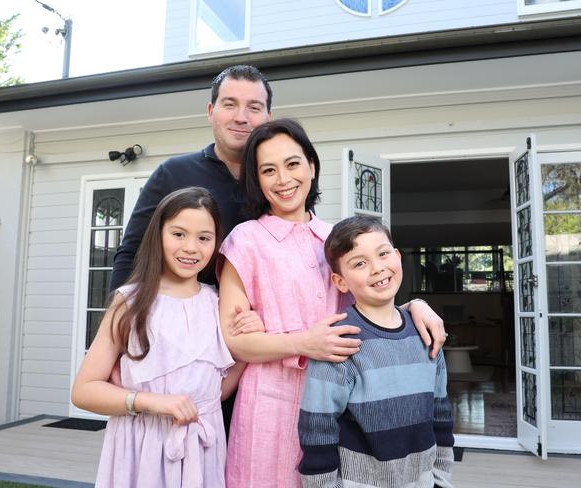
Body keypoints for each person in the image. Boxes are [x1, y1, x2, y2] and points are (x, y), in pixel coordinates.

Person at [218, 119, 447, 488]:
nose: (283, 179)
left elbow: (370, 308)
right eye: (268, 170)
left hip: (341, 406)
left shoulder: (334, 240)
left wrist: (412, 306)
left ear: (311, 166)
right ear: (256, 180)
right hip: (269, 409)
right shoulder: (244, 242)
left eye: (293, 164)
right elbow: (234, 342)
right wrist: (302, 343)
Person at [72, 187, 261, 487]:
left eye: (204, 238)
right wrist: (151, 402)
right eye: (179, 234)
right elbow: (84, 391)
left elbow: (214, 391)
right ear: (158, 235)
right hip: (139, 449)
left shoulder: (217, 304)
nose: (191, 248)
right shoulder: (131, 303)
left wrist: (251, 333)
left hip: (202, 448)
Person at [298, 215, 455, 488]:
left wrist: (441, 479)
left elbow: (440, 415)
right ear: (341, 281)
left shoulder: (427, 332)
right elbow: (317, 430)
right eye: (359, 263)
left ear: (397, 255)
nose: (377, 268)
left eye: (383, 254)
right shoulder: (340, 341)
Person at [109, 65, 273, 291]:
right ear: (210, 111)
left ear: (268, 118)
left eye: (254, 107)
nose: (241, 118)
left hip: (264, 324)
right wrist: (118, 319)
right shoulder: (172, 173)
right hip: (183, 319)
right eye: (229, 104)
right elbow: (131, 253)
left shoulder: (281, 183)